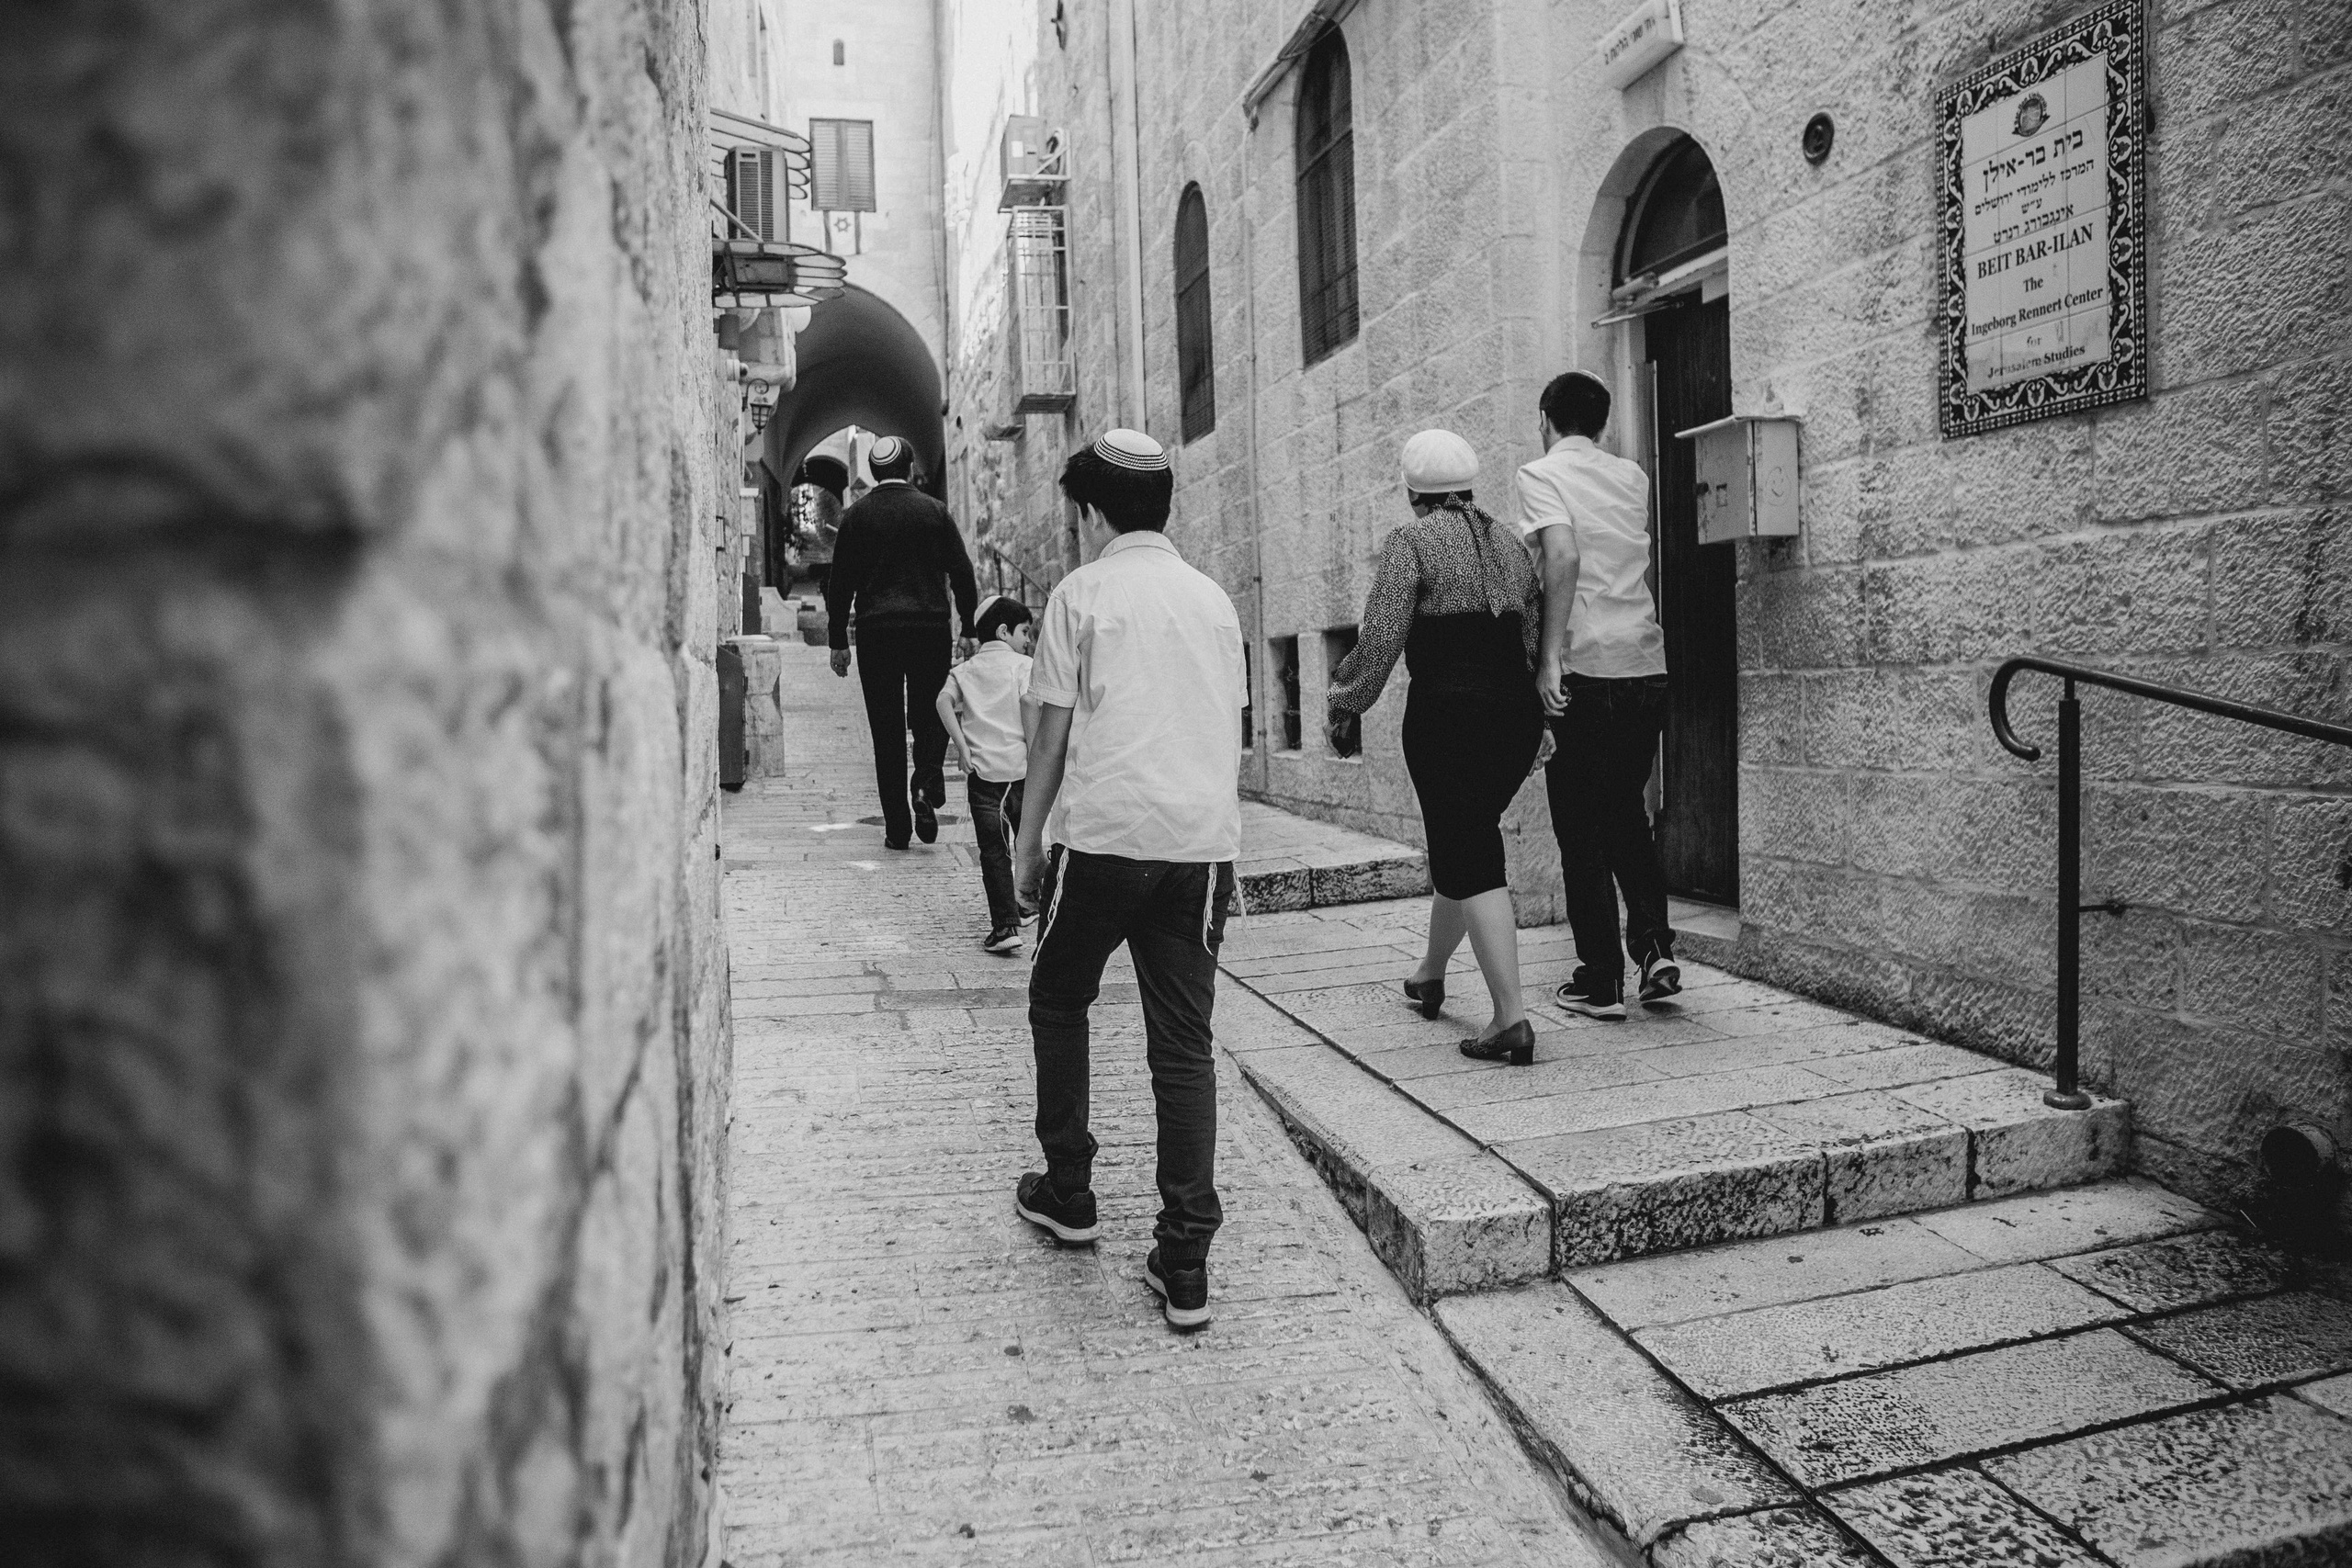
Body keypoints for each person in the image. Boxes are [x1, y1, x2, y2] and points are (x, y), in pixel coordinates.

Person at [1011, 429, 1246, 1334]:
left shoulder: (1082, 594)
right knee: (1182, 1044)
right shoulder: (1212, 600)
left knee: (1058, 997)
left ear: (1090, 512)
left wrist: (1029, 846)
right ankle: (1184, 1257)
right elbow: (1225, 723)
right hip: (1198, 847)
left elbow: (1047, 738)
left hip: (1104, 840)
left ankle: (1069, 1188)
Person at [1327, 431, 1546, 1066]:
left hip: (1449, 715)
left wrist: (1346, 703)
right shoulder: (1509, 541)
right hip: (1514, 714)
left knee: (1469, 844)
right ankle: (1428, 974)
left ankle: (1511, 1019)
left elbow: (1382, 634)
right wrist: (1537, 714)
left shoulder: (1412, 542)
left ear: (1411, 491)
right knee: (1465, 836)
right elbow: (1530, 636)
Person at [1519, 371, 1679, 1021]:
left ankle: (1600, 978)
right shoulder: (1631, 475)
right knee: (1625, 815)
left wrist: (1550, 657)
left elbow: (1561, 556)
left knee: (1580, 826)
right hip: (1643, 662)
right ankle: (1654, 949)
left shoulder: (1540, 474)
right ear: (1603, 424)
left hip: (1584, 666)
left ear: (1544, 418)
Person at [824, 435, 979, 850]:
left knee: (886, 728)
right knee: (932, 713)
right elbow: (962, 571)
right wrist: (969, 627)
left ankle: (897, 827)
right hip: (929, 628)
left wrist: (838, 639)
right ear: (910, 469)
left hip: (877, 632)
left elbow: (839, 585)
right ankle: (926, 786)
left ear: (874, 474)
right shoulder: (935, 512)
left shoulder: (856, 517)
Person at [935, 594, 1036, 956]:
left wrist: (962, 748)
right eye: (1025, 631)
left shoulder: (964, 671)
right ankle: (1029, 901)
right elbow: (1029, 706)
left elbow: (942, 702)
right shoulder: (1023, 666)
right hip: (1021, 772)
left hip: (983, 776)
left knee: (993, 850)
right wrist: (1035, 748)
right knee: (1028, 840)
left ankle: (1005, 925)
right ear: (1004, 631)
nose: (1028, 639)